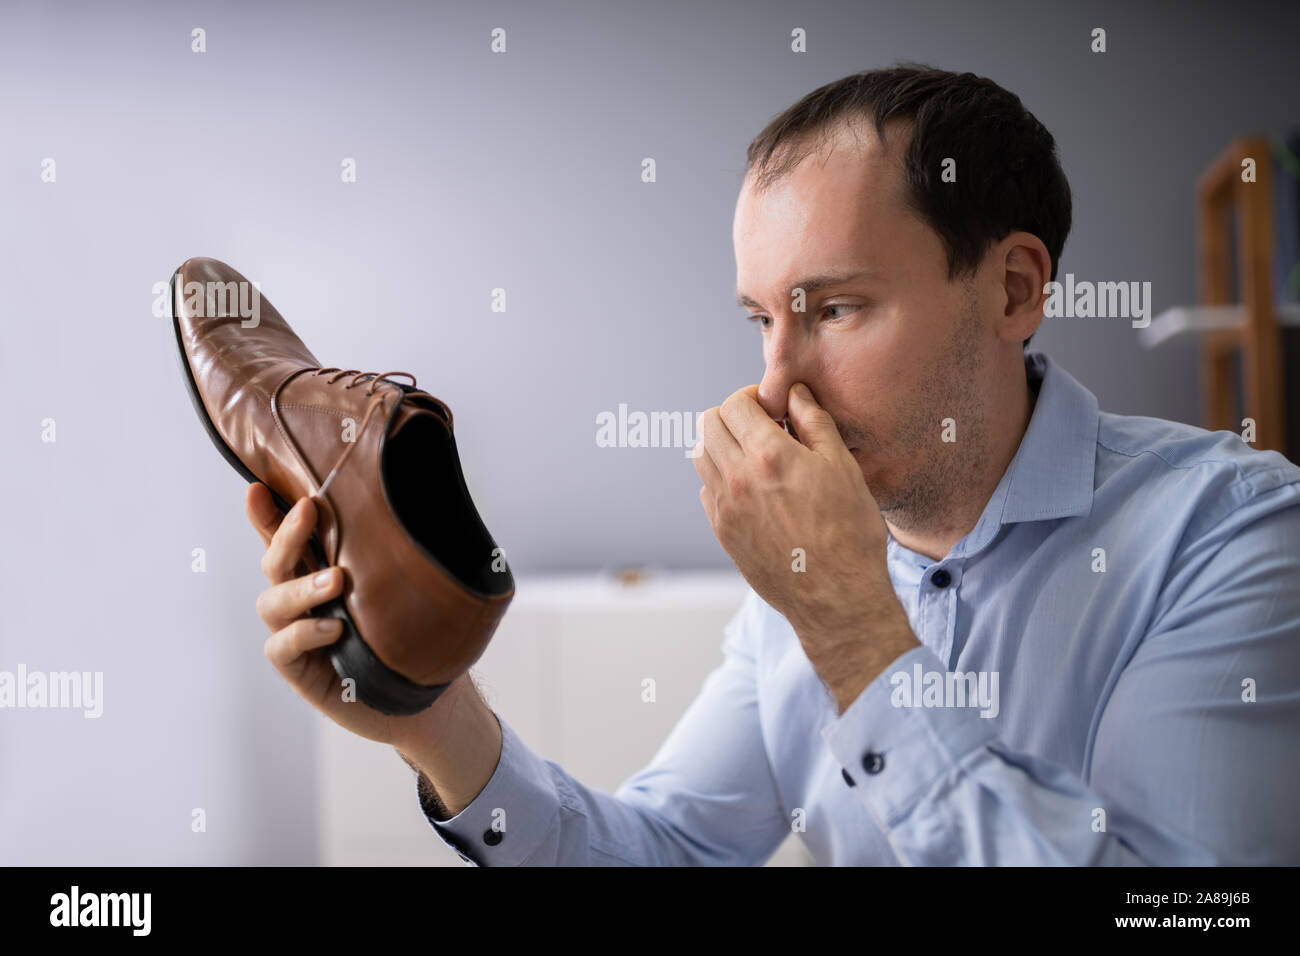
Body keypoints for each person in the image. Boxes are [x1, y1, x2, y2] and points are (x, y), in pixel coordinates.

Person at [247, 65, 1300, 865]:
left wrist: (851, 626)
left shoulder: (1233, 531)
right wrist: (435, 717)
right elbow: (664, 849)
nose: (772, 385)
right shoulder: (801, 586)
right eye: (760, 318)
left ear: (1014, 289)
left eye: (834, 308)